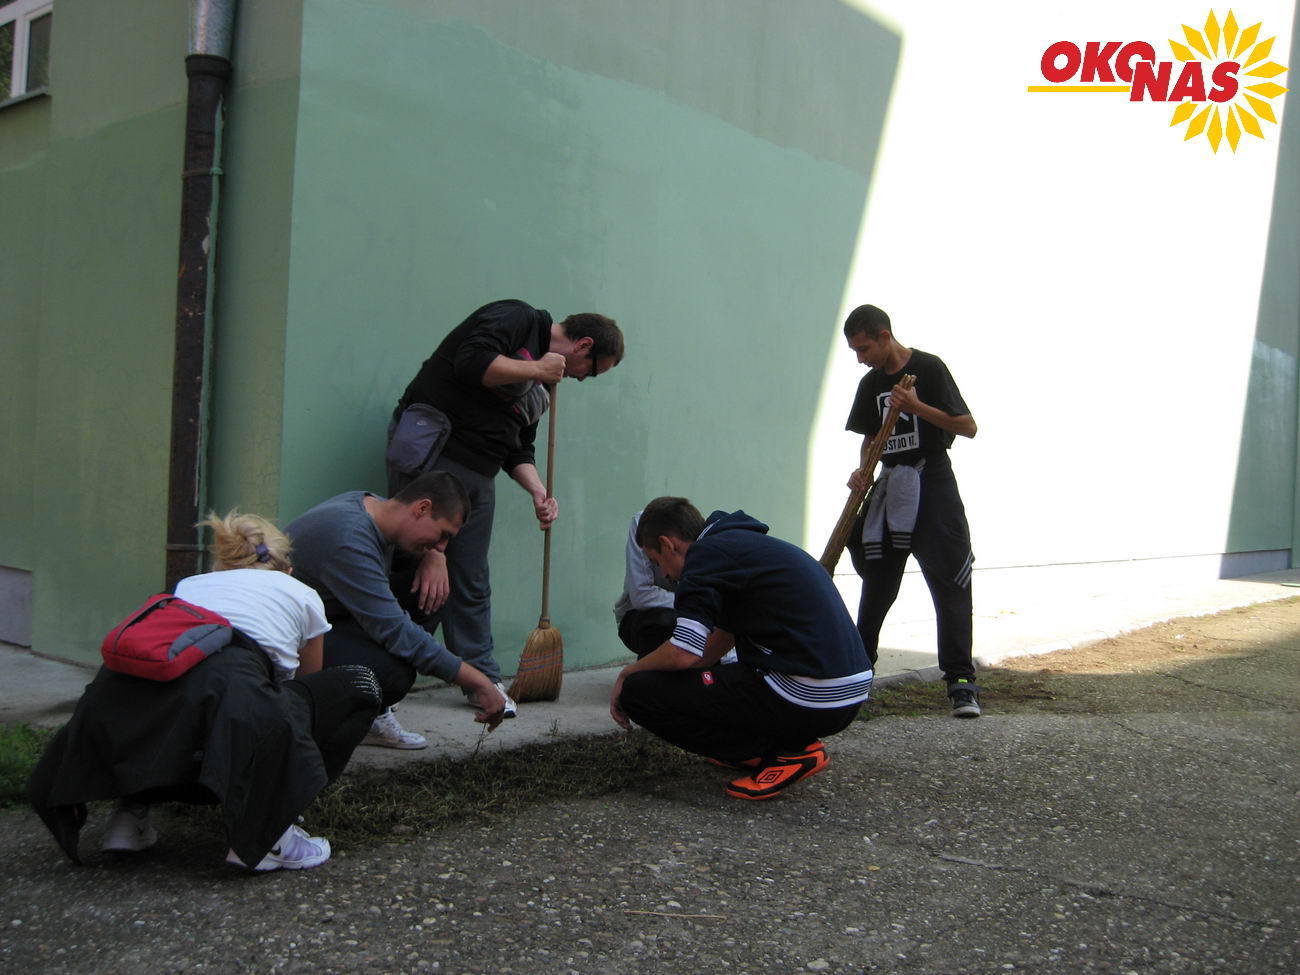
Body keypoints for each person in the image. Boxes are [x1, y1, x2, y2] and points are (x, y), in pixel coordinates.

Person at [28, 511, 382, 872]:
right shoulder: (301, 592)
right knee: (354, 686)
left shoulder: (188, 586)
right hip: (227, 693)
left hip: (123, 715)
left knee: (165, 701)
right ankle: (272, 832)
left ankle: (128, 817)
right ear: (286, 569)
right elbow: (305, 683)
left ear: (221, 564)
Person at [386, 299, 624, 719]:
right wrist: (434, 551)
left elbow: (517, 448)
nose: (580, 378)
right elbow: (471, 361)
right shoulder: (517, 318)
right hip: (435, 460)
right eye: (590, 371)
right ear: (584, 345)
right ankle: (380, 681)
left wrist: (538, 491)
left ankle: (481, 681)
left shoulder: (544, 386)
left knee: (471, 581)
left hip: (479, 476)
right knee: (419, 579)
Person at [610, 498, 872, 801]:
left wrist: (629, 673)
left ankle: (785, 753)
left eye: (657, 562)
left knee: (638, 692)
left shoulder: (703, 557)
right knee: (703, 682)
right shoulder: (739, 546)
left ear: (668, 545)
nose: (665, 575)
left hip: (807, 691)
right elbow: (714, 647)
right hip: (847, 693)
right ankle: (761, 751)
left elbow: (685, 651)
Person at [285, 470, 507, 749]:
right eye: (443, 535)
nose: (442, 546)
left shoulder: (372, 507)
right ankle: (321, 721)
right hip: (288, 644)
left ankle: (370, 711)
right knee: (393, 671)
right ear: (422, 508)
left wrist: (435, 556)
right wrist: (478, 681)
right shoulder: (349, 538)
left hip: (326, 620)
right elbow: (395, 631)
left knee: (432, 588)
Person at [841, 303, 980, 718]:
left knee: (950, 581)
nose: (860, 358)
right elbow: (870, 438)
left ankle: (961, 683)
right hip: (890, 488)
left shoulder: (928, 368)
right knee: (877, 584)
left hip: (932, 484)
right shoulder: (870, 384)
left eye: (864, 348)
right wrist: (863, 470)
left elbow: (967, 426)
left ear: (884, 336)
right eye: (855, 351)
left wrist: (917, 407)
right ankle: (858, 675)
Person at [612, 511, 677, 658]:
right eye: (656, 561)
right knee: (667, 622)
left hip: (691, 613)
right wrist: (692, 600)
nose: (664, 573)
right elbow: (641, 595)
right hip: (643, 617)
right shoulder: (644, 525)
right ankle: (647, 671)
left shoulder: (699, 534)